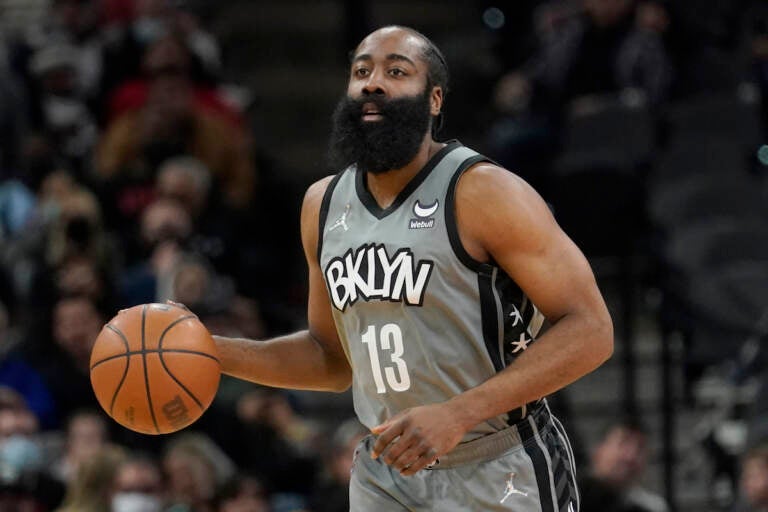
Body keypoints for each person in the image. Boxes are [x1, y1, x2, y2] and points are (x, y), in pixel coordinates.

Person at [199, 25, 613, 511]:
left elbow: (592, 329)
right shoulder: (323, 205)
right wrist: (209, 352)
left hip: (496, 463)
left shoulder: (483, 191)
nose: (373, 82)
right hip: (386, 473)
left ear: (434, 100)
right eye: (361, 72)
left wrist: (458, 414)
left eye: (397, 71)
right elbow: (330, 358)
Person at [579, 419, 669, 512]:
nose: (631, 456)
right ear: (599, 449)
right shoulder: (568, 495)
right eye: (623, 443)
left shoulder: (649, 507)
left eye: (640, 449)